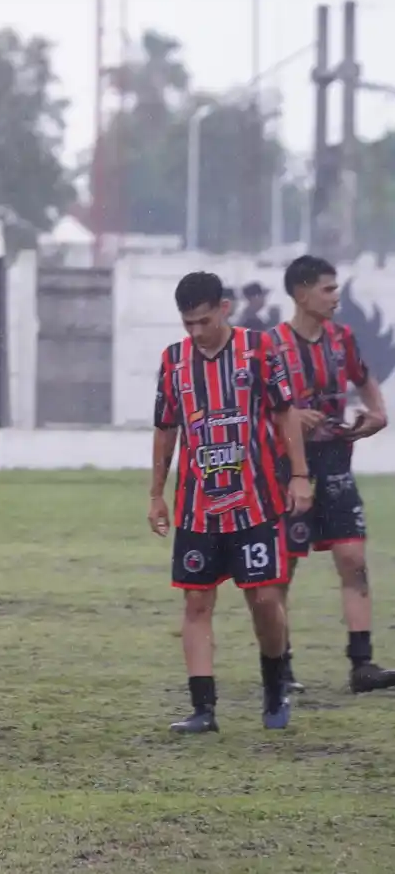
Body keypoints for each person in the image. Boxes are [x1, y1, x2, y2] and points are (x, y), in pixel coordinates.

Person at [148, 271, 313, 734]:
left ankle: (275, 684)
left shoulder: (259, 350)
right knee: (197, 603)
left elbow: (286, 416)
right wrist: (156, 495)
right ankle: (203, 709)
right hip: (198, 507)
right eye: (187, 325)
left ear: (224, 307)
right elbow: (166, 429)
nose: (196, 333)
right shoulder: (174, 361)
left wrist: (299, 476)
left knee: (263, 599)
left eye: (203, 321)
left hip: (256, 504)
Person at [271, 256, 395, 693]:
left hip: (337, 465)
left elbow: (365, 379)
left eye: (337, 287)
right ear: (301, 294)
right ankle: (280, 669)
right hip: (288, 471)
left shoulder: (343, 339)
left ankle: (362, 665)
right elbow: (255, 407)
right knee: (281, 572)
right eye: (327, 288)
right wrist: (287, 416)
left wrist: (377, 416)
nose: (336, 296)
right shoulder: (272, 346)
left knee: (353, 561)